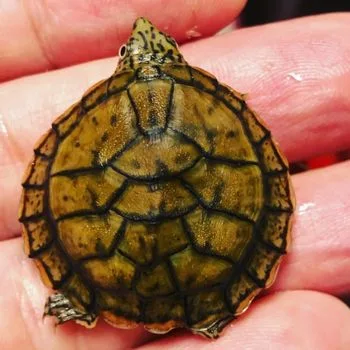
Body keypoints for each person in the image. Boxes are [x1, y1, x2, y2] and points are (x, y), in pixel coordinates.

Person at [0, 1, 349, 348]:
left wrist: (80, 286)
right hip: (210, 275)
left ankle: (82, 299)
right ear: (176, 56)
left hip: (101, 274)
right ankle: (208, 312)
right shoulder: (221, 105)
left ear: (124, 60)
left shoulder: (94, 110)